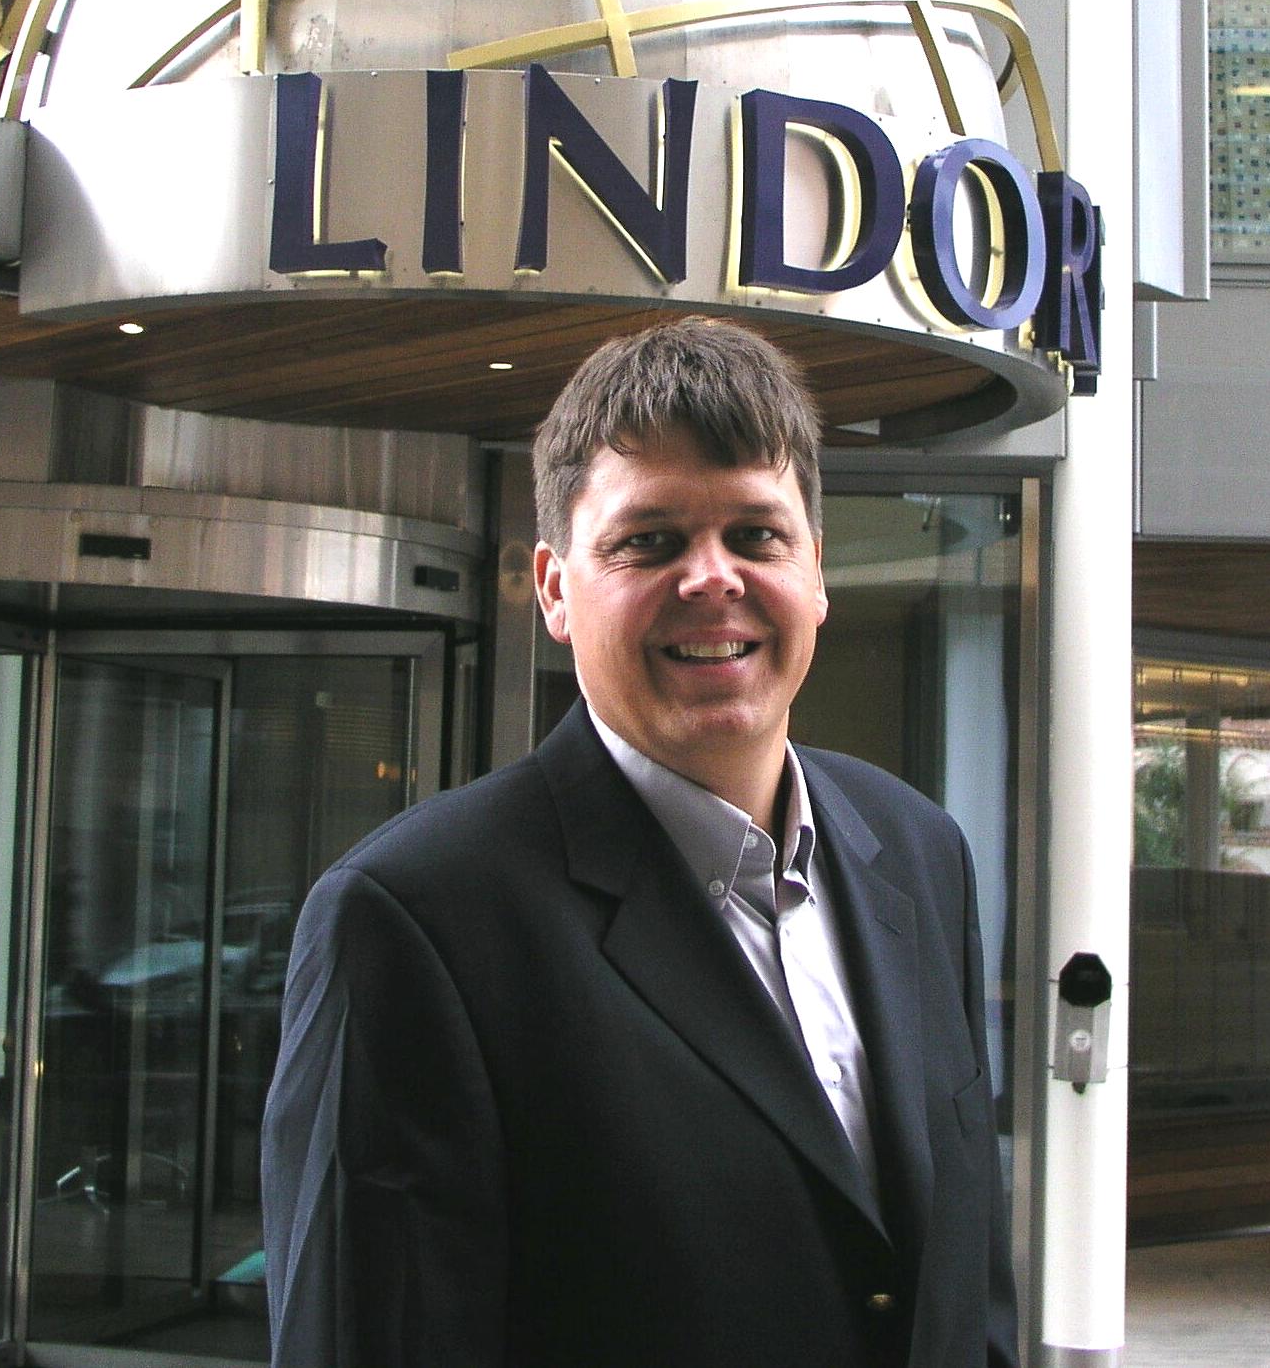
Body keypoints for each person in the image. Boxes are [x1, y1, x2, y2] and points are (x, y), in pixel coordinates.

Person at [261, 317, 1019, 1368]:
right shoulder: (411, 921)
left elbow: (965, 1292)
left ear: (815, 571)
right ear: (554, 587)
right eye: (648, 541)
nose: (712, 578)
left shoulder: (919, 850)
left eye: (756, 534)